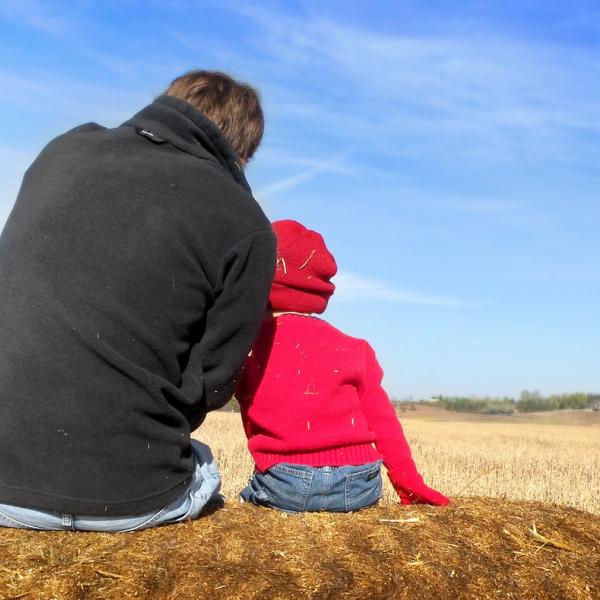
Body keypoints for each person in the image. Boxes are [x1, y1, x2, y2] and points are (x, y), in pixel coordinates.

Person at [0, 70, 275, 531]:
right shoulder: (247, 224)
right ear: (242, 151)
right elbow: (212, 381)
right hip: (127, 498)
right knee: (204, 466)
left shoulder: (64, 149)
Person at [235, 220, 449, 513]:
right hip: (362, 482)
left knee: (240, 502)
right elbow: (383, 421)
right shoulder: (355, 348)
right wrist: (408, 481)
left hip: (288, 482)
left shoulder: (249, 347)